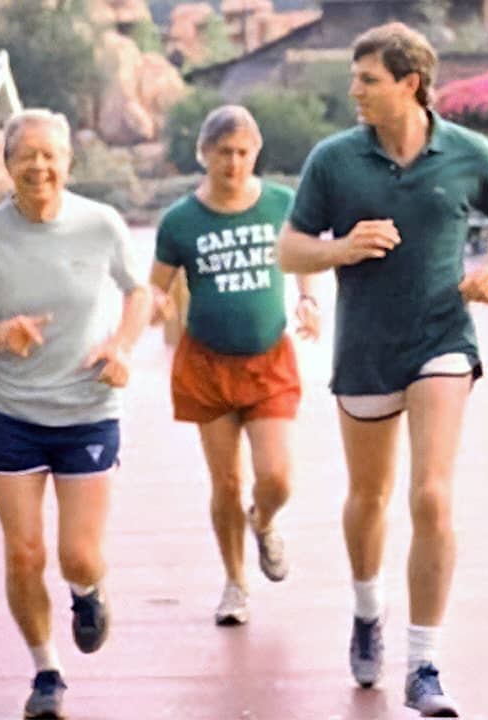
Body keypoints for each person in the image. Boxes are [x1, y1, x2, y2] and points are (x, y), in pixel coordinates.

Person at [277, 22, 488, 717]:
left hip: (443, 337)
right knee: (369, 496)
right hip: (364, 348)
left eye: (367, 80)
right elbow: (289, 251)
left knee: (432, 497)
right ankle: (366, 610)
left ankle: (425, 664)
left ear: (409, 84)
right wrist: (343, 249)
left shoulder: (468, 152)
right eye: (355, 80)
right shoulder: (334, 161)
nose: (354, 91)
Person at [0, 109, 150, 719]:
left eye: (50, 155)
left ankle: (88, 593)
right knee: (24, 555)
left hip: (87, 409)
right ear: (7, 165)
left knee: (78, 557)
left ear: (68, 162)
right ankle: (46, 672)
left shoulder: (101, 224)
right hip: (13, 414)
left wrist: (120, 347)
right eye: (25, 156)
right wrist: (1, 334)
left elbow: (140, 293)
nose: (39, 166)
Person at [149, 105, 322, 627]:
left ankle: (263, 522)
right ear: (205, 154)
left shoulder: (280, 205)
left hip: (268, 360)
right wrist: (153, 308)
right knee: (224, 481)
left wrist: (309, 299)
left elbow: (304, 258)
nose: (233, 162)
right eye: (223, 152)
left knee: (278, 477)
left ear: (257, 153)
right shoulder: (181, 221)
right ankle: (235, 583)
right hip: (207, 362)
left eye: (243, 152)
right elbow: (156, 286)